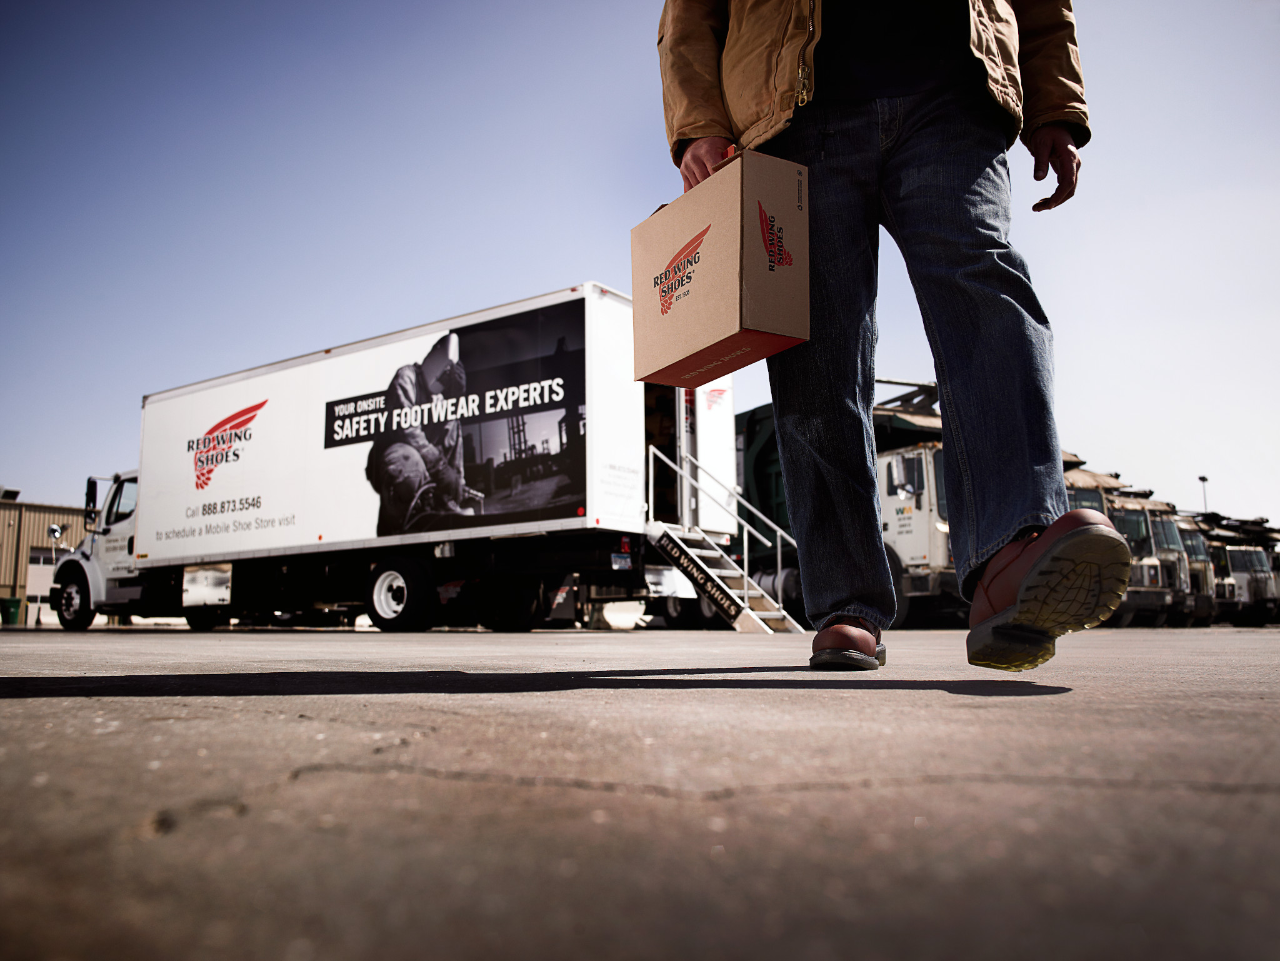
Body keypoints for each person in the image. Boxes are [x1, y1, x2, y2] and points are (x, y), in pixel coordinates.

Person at [657, 1, 1130, 671]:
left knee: (986, 289)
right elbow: (690, 12)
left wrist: (1055, 99)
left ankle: (1013, 550)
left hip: (955, 88)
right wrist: (699, 122)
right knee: (818, 358)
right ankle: (848, 601)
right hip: (793, 109)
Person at [366, 334, 469, 535]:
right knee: (408, 461)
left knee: (451, 425)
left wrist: (457, 481)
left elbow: (453, 437)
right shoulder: (407, 378)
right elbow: (409, 432)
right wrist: (441, 468)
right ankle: (399, 528)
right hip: (395, 456)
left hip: (428, 465)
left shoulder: (439, 398)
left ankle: (438, 513)